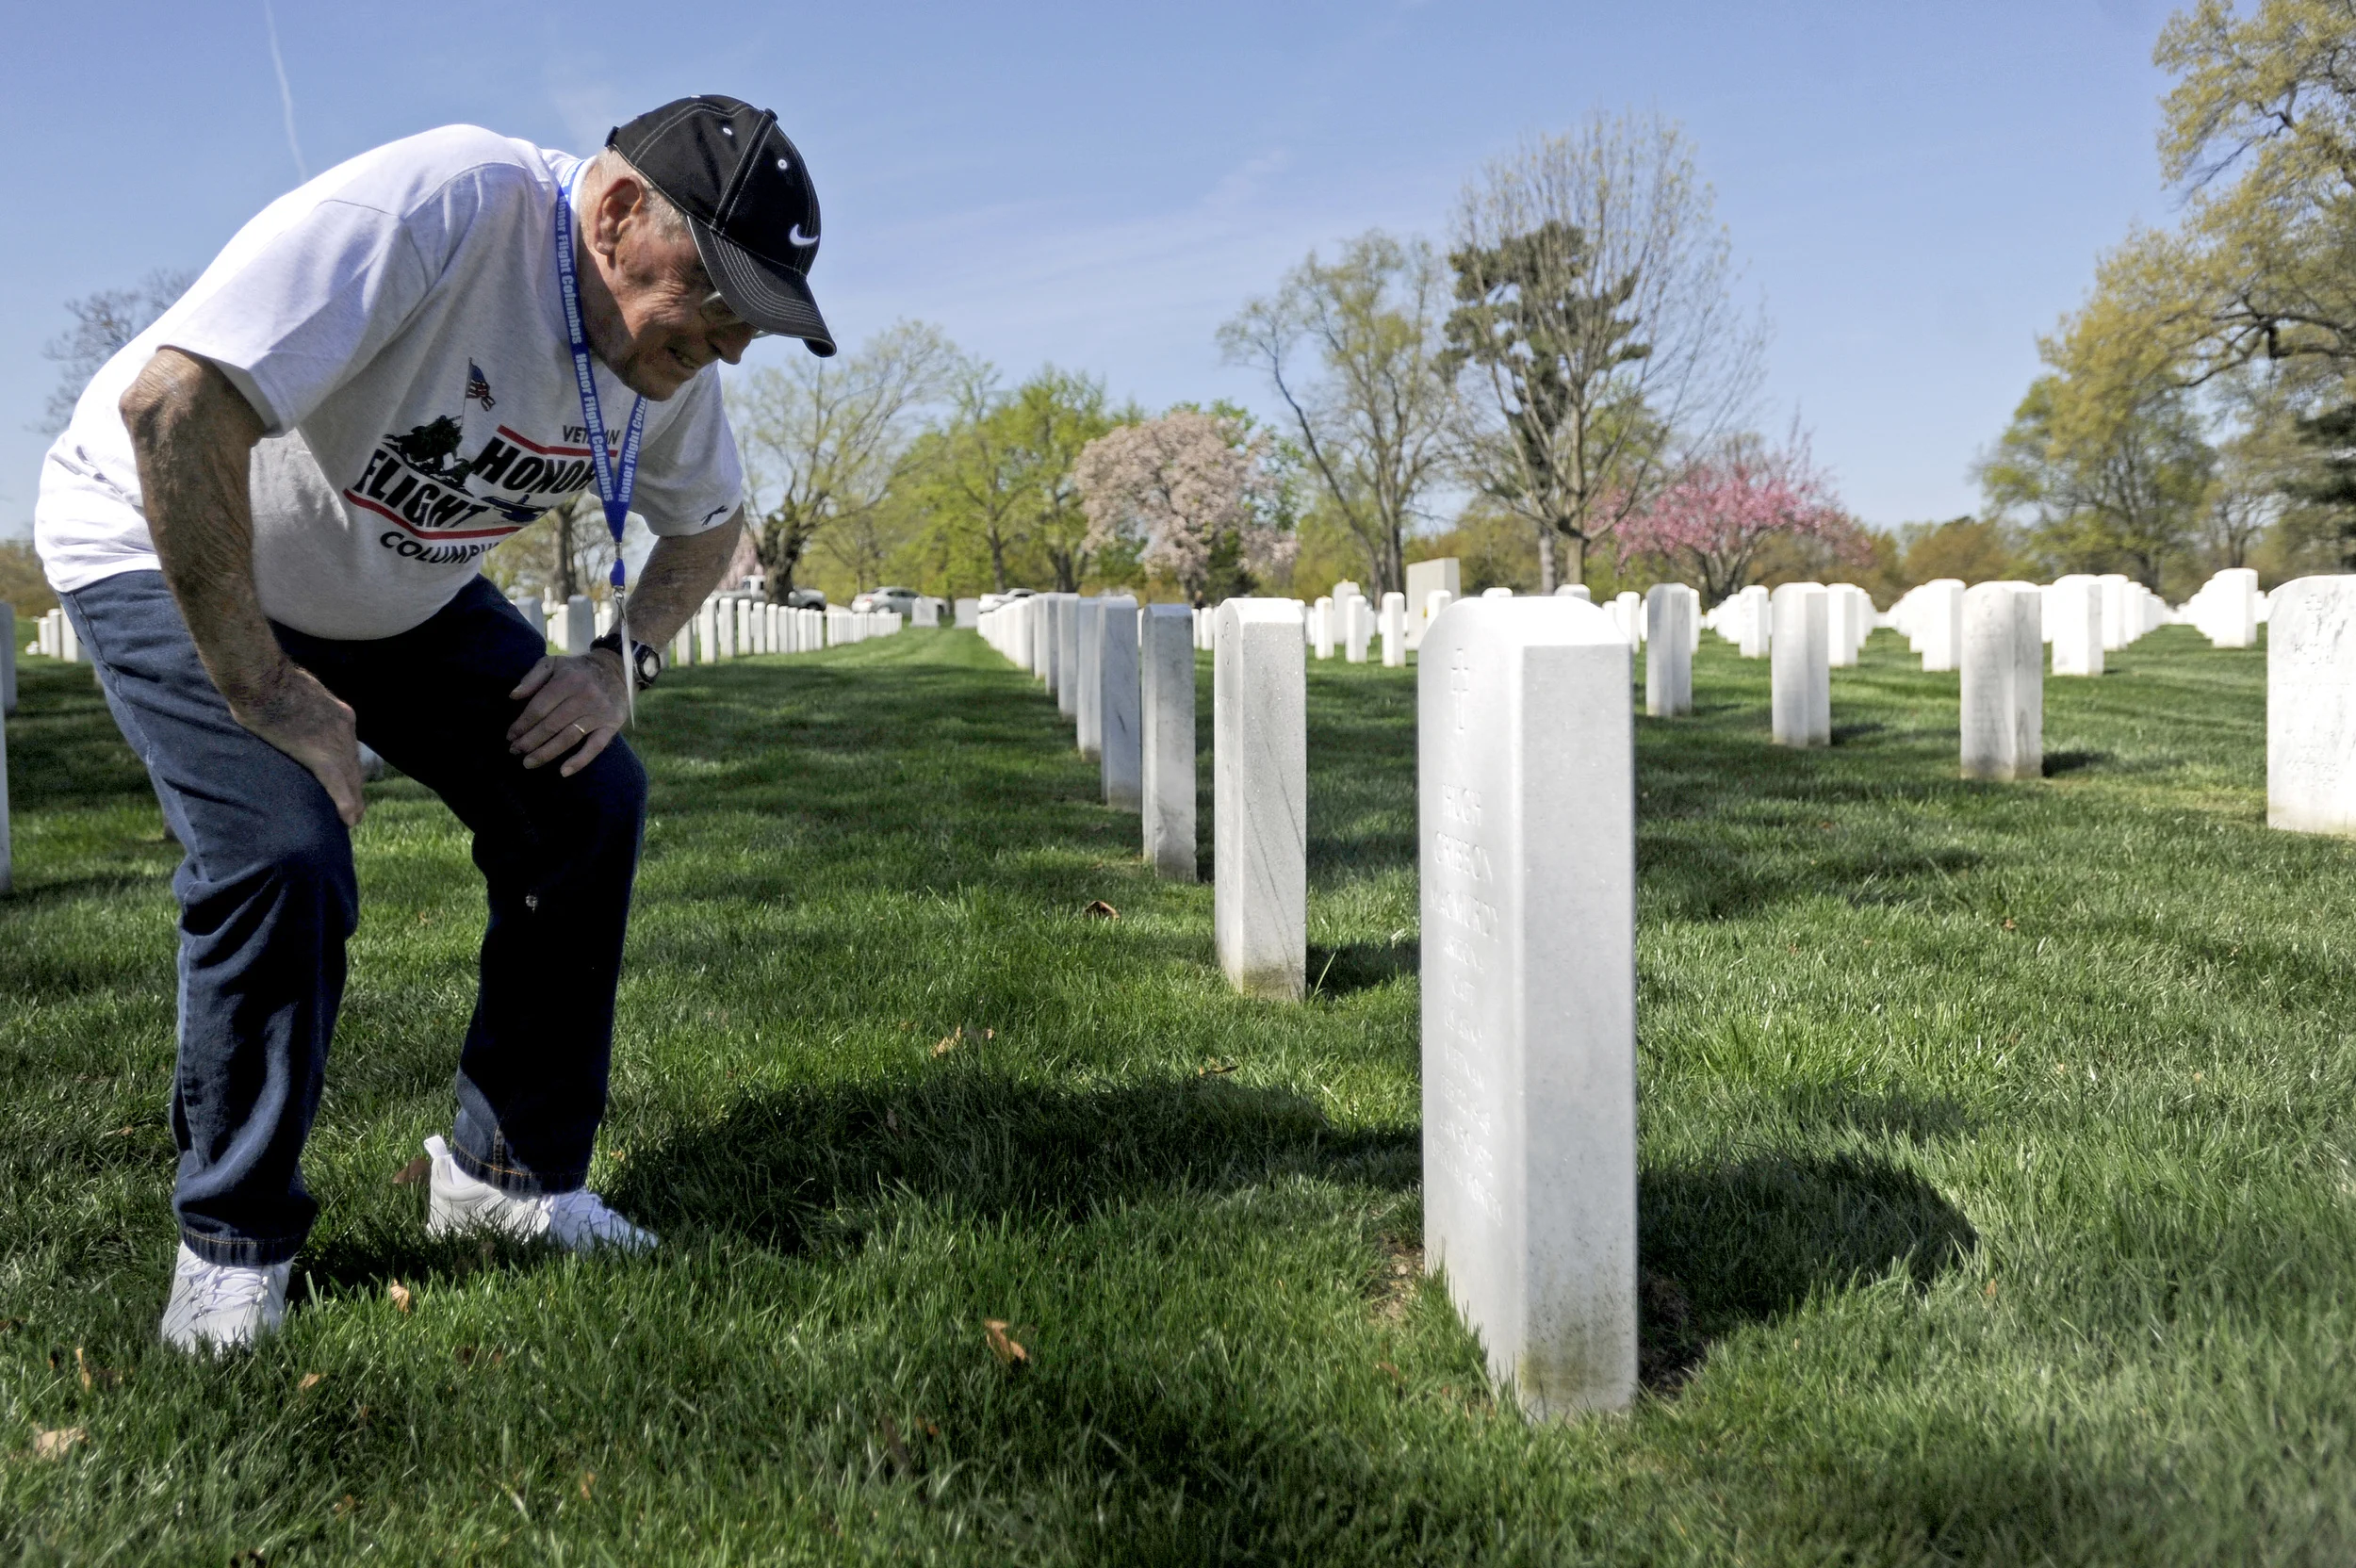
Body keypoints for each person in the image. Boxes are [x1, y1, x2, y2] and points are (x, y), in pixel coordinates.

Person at [32, 95, 834, 1352]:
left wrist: (622, 663)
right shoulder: (443, 210)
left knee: (587, 799)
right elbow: (172, 407)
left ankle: (508, 1184)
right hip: (163, 537)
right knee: (281, 850)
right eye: (715, 296)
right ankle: (231, 1245)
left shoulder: (661, 360)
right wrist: (264, 685)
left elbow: (710, 521)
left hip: (389, 587)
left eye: (753, 316)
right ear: (620, 213)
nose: (728, 345)